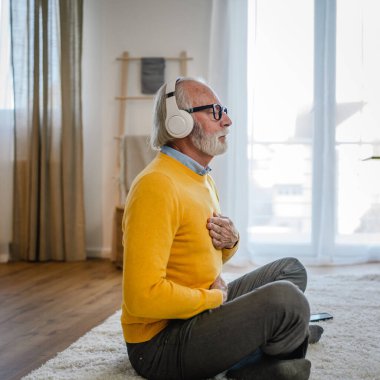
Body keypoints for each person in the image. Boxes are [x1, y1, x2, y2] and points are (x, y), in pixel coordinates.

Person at [121, 77, 321, 380]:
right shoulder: (157, 185)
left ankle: (278, 333)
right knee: (287, 300)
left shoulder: (201, 178)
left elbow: (195, 256)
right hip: (158, 346)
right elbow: (142, 297)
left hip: (200, 309)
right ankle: (270, 349)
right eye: (215, 111)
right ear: (179, 122)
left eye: (223, 110)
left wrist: (231, 241)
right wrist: (215, 299)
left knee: (291, 271)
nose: (227, 120)